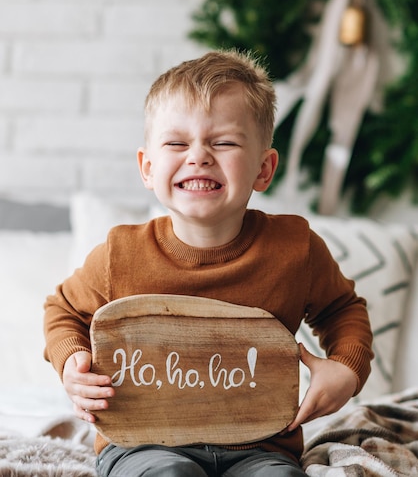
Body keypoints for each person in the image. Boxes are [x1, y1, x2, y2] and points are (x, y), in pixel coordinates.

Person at [44, 50, 373, 477]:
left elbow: (343, 310)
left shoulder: (296, 249)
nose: (198, 155)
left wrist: (346, 369)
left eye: (224, 142)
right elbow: (63, 310)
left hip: (263, 445)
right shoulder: (119, 254)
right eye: (177, 143)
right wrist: (72, 363)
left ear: (263, 168)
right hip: (142, 441)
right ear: (147, 167)